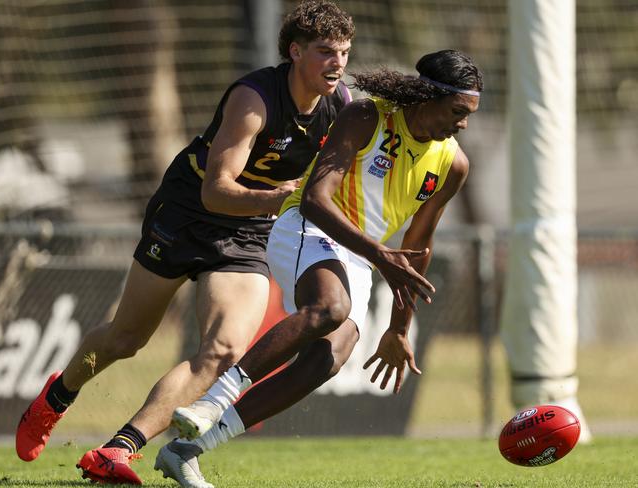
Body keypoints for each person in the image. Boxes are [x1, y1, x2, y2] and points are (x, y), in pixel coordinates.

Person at [14, 1, 355, 484]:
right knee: (124, 339)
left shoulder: (340, 105)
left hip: (252, 230)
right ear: (295, 52)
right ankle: (57, 397)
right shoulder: (254, 97)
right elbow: (217, 190)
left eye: (344, 52)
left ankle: (118, 450)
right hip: (189, 211)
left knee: (223, 352)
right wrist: (278, 198)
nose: (337, 62)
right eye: (325, 51)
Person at [159, 49, 483, 488]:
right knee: (331, 307)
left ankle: (185, 451)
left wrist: (399, 329)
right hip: (305, 227)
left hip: (360, 255)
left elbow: (415, 250)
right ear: (427, 96)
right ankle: (211, 402)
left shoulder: (453, 164)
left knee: (326, 360)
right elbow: (315, 197)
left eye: (469, 115)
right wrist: (379, 253)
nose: (463, 123)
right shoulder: (366, 117)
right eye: (458, 111)